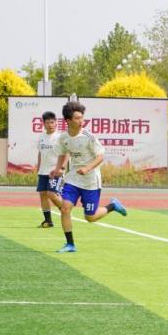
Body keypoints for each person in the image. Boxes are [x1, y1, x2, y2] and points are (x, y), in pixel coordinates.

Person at [50, 101, 127, 253]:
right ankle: (70, 244)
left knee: (90, 218)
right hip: (73, 178)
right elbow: (62, 153)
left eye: (82, 118)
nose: (81, 121)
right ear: (68, 120)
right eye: (77, 118)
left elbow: (100, 156)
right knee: (65, 209)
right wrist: (58, 169)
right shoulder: (63, 138)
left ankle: (112, 206)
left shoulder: (88, 136)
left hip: (91, 180)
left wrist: (87, 168)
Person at [35, 111, 64, 228]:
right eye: (47, 123)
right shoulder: (41, 137)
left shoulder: (60, 137)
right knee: (43, 194)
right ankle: (48, 221)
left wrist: (61, 168)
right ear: (44, 124)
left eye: (52, 122)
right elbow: (40, 153)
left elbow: (65, 154)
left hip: (55, 171)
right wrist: (38, 168)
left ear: (56, 123)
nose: (50, 125)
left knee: (52, 194)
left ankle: (65, 209)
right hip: (43, 171)